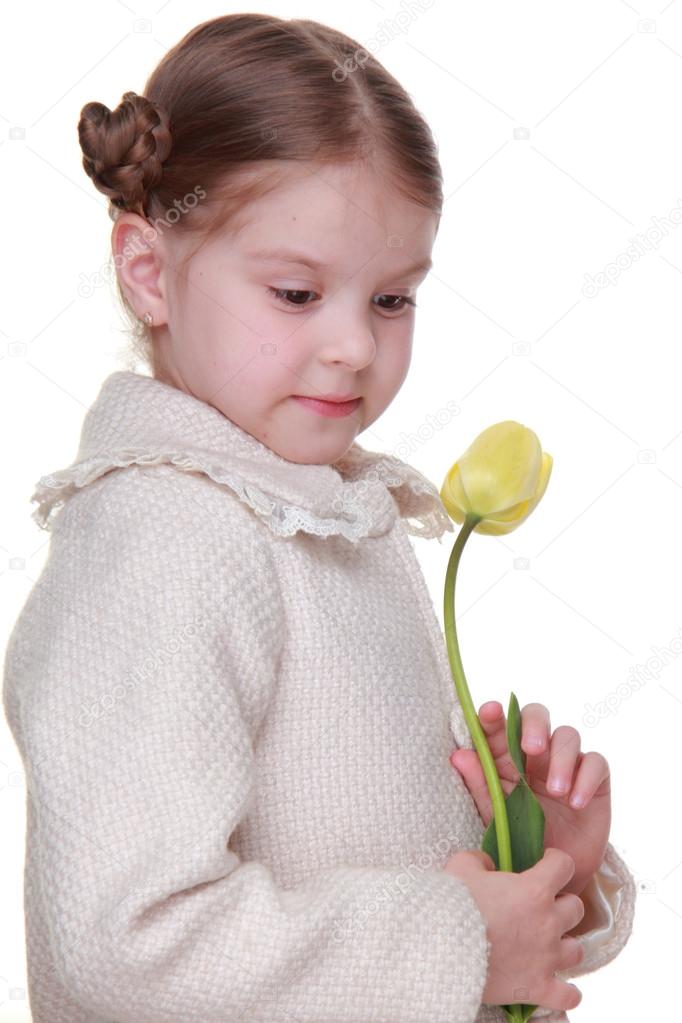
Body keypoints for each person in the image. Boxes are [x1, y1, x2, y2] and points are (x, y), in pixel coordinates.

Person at [2, 13, 636, 1023]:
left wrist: (536, 860)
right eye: (297, 293)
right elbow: (122, 946)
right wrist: (460, 942)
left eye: (392, 300)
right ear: (148, 271)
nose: (351, 346)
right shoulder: (163, 543)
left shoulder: (314, 513)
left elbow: (362, 858)